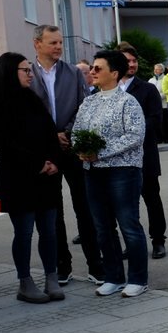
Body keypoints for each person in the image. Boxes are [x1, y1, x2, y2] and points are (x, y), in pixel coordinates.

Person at [0, 52, 63, 303]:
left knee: (49, 231)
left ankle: (51, 278)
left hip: (46, 177)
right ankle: (25, 283)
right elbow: (4, 143)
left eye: (30, 70)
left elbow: (50, 132)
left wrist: (53, 161)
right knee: (24, 232)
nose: (30, 75)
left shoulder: (32, 98)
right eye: (25, 70)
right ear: (9, 72)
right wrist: (38, 163)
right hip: (19, 178)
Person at [27, 24, 103, 286]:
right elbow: (27, 115)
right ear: (37, 44)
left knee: (85, 207)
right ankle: (62, 265)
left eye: (60, 42)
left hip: (72, 148)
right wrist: (51, 136)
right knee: (53, 211)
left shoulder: (72, 72)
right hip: (46, 152)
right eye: (53, 42)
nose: (59, 47)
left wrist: (67, 132)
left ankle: (96, 264)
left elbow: (84, 107)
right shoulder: (28, 74)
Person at [71, 50, 148, 298]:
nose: (92, 72)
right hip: (93, 172)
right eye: (92, 68)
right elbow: (77, 131)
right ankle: (113, 277)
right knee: (102, 227)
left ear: (114, 73)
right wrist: (81, 150)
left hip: (122, 171)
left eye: (98, 68)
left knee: (128, 225)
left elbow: (135, 136)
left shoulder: (128, 102)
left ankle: (138, 279)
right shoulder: (89, 102)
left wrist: (100, 152)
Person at [118, 45, 168, 260]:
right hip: (119, 159)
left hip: (144, 154)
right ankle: (132, 244)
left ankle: (158, 240)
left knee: (152, 199)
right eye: (127, 61)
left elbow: (156, 120)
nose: (132, 64)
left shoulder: (147, 89)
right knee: (126, 204)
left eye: (134, 60)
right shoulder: (109, 89)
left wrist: (130, 132)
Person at [148, 64, 168, 144]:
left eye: (158, 69)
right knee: (156, 123)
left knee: (165, 123)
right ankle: (158, 139)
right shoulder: (151, 80)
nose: (156, 70)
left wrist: (157, 97)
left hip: (164, 104)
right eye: (155, 69)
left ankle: (166, 138)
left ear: (162, 70)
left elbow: (166, 91)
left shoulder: (165, 79)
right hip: (153, 106)